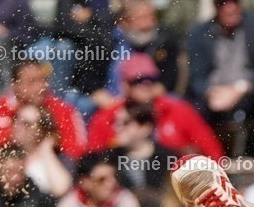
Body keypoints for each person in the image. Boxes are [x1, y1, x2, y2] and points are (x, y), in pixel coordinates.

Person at [187, 0, 254, 155]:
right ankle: (205, 159)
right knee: (192, 104)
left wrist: (240, 88)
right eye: (223, 3)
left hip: (249, 93)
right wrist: (211, 93)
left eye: (234, 1)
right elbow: (197, 78)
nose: (230, 8)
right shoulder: (199, 33)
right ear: (215, 6)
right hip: (215, 98)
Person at [51, 0, 134, 112]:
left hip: (112, 45)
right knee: (63, 48)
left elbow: (127, 17)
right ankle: (58, 105)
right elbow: (63, 24)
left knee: (123, 42)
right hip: (82, 48)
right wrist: (99, 27)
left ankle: (119, 101)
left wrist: (92, 16)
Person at [0, 59, 87, 181]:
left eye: (43, 80)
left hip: (49, 185)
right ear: (15, 85)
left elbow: (77, 157)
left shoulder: (64, 112)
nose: (41, 87)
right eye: (32, 82)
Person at [86, 53, 224, 158]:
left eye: (151, 79)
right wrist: (116, 147)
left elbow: (213, 152)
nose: (146, 85)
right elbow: (92, 161)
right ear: (125, 85)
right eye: (138, 80)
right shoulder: (108, 117)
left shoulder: (179, 110)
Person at [109, 0, 181, 95]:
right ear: (123, 22)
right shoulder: (109, 42)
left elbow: (168, 79)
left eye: (152, 17)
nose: (148, 24)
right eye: (141, 19)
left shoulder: (165, 41)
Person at [111, 101, 178, 207]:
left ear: (145, 127)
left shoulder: (168, 159)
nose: (116, 128)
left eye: (125, 123)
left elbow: (173, 201)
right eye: (115, 122)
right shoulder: (109, 158)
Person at [10, 103, 74, 198]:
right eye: (16, 119)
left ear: (41, 130)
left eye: (26, 123)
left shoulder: (60, 159)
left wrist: (46, 149)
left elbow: (61, 189)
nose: (17, 126)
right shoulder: (3, 155)